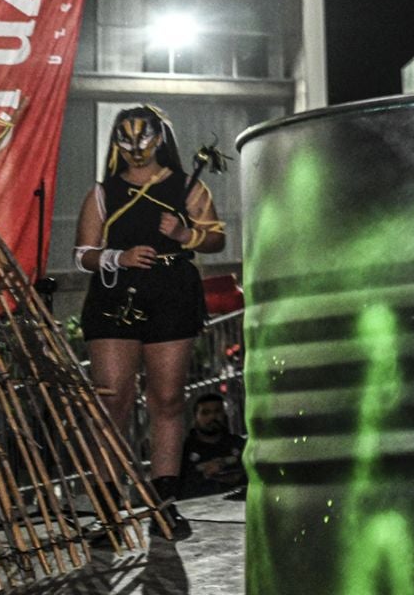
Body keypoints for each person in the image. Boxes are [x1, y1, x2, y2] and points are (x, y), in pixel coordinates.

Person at [72, 106, 226, 540]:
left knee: (167, 399)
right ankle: (108, 514)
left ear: (160, 138)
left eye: (143, 139)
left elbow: (217, 237)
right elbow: (80, 253)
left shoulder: (186, 186)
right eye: (126, 139)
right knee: (112, 399)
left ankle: (163, 507)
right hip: (114, 294)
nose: (136, 149)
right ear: (116, 141)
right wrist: (117, 257)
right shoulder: (103, 192)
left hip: (172, 292)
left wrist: (185, 235)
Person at [180, 393, 246, 498]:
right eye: (205, 413)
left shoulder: (238, 444)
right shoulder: (184, 451)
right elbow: (180, 488)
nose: (212, 417)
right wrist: (204, 476)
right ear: (196, 417)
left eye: (217, 411)